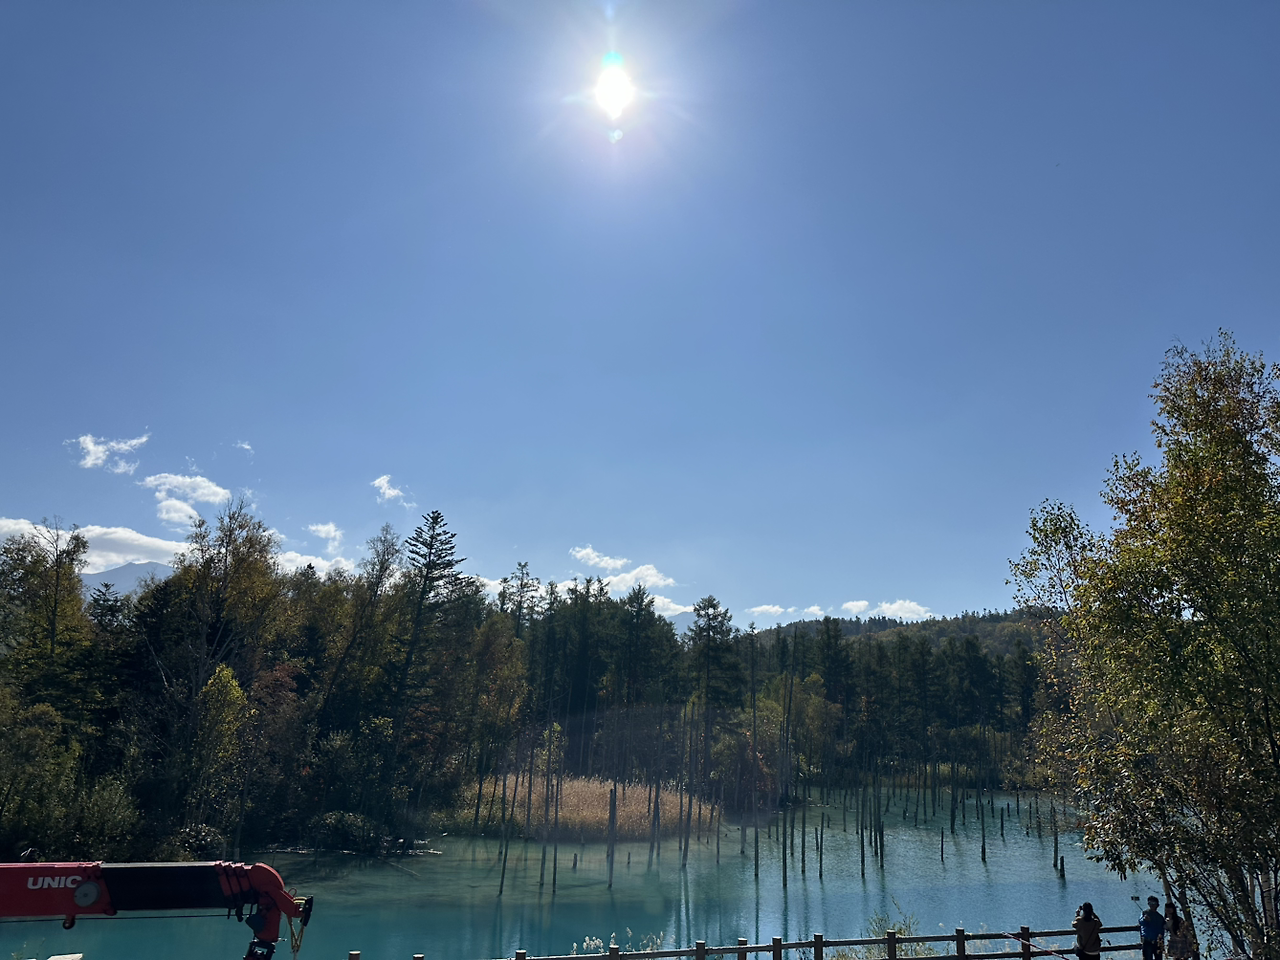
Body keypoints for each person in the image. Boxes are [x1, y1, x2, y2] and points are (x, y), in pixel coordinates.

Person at [1140, 896, 1166, 960]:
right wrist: (1144, 919)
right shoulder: (1145, 913)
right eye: (1150, 903)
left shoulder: (1160, 917)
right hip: (1147, 941)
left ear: (1158, 905)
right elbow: (1141, 922)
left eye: (1154, 903)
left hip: (1157, 943)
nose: (1152, 905)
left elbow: (1162, 930)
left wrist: (1162, 942)